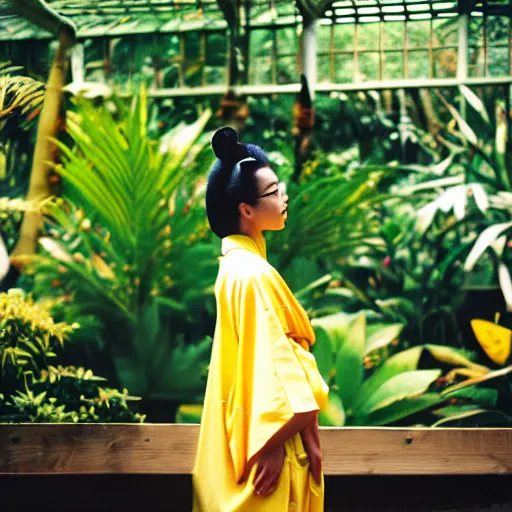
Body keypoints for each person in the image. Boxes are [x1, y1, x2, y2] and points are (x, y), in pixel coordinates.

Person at [192, 127, 329, 511]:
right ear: (246, 210)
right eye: (273, 193)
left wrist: (311, 438)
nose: (284, 198)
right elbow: (274, 364)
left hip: (267, 432)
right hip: (268, 447)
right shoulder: (251, 274)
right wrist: (267, 442)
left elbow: (279, 358)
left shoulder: (239, 267)